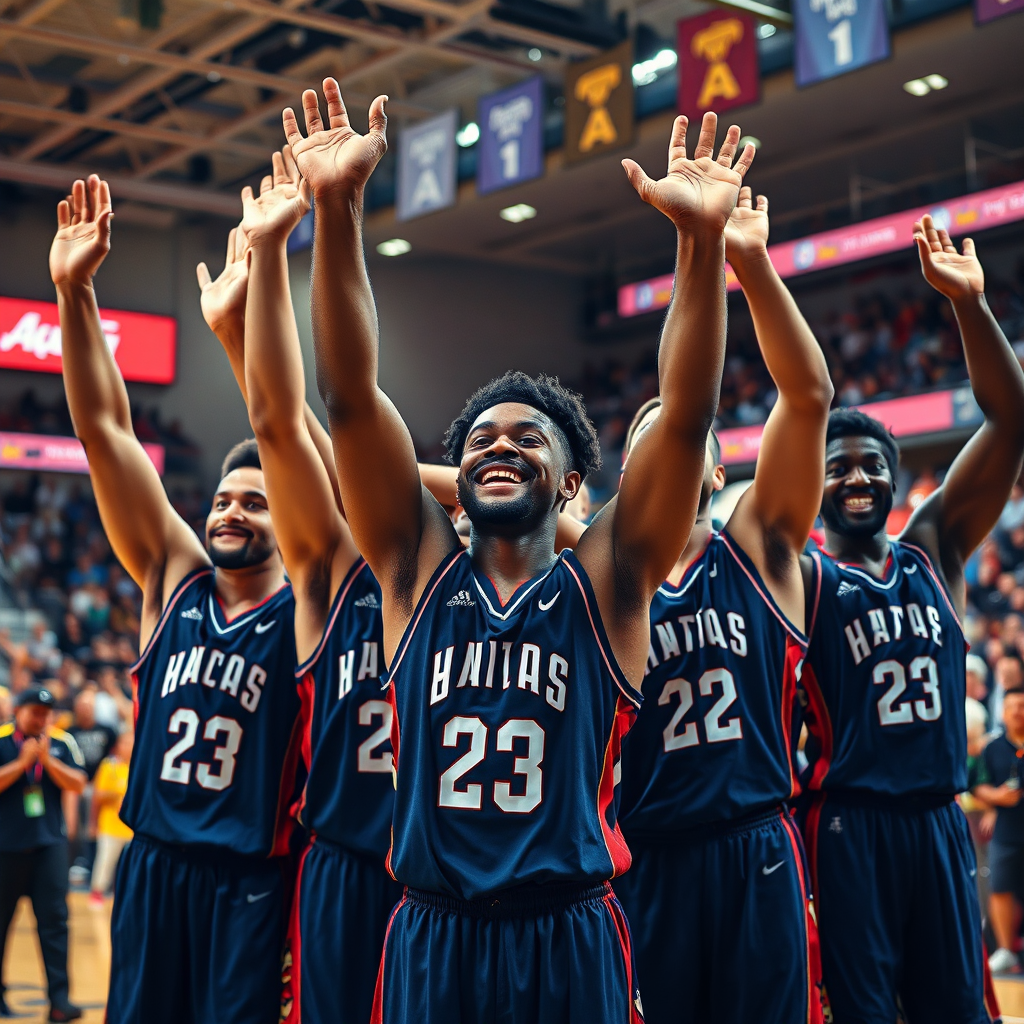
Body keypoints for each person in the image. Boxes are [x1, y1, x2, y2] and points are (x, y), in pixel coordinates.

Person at [286, 78, 753, 1023]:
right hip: (432, 926)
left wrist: (700, 251)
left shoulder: (611, 582)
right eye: (481, 438)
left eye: (528, 437)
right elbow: (347, 399)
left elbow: (687, 415)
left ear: (574, 483)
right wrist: (336, 212)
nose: (500, 443)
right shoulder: (413, 568)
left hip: (567, 928)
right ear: (456, 475)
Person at [51, 174, 303, 1024]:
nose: (230, 510)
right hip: (156, 862)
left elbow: (284, 424)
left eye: (255, 500)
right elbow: (105, 430)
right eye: (224, 499)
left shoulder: (315, 602)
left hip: (250, 881)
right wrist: (75, 293)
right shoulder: (172, 576)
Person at [614, 185, 833, 1024]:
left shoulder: (757, 546)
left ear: (713, 468)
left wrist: (747, 261)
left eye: (685, 439)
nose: (668, 454)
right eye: (647, 445)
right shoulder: (604, 564)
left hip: (755, 845)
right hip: (648, 854)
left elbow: (807, 397)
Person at [799, 215, 1024, 1023]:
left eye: (872, 466)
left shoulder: (934, 546)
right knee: (862, 1011)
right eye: (838, 467)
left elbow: (1007, 420)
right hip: (847, 824)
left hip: (936, 817)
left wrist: (970, 306)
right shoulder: (799, 572)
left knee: (958, 1008)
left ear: (898, 483)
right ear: (812, 484)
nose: (858, 478)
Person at [199, 152, 403, 1024]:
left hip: (450, 877)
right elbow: (289, 427)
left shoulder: (512, 585)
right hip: (341, 858)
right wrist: (259, 289)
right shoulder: (345, 576)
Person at [0, 686, 86, 1022]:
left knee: (55, 924)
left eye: (46, 713)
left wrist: (47, 762)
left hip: (49, 847)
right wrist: (23, 764)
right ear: (18, 710)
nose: (41, 718)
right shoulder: (3, 740)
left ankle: (60, 1002)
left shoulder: (62, 743)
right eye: (35, 711)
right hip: (5, 848)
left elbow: (78, 783)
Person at [974, 687, 1024, 974]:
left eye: (1021, 706)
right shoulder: (992, 748)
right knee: (1000, 889)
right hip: (1005, 832)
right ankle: (1005, 949)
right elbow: (977, 784)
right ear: (1003, 711)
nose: (1017, 712)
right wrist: (996, 799)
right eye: (1011, 707)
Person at [89, 729, 134, 906]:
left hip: (131, 829)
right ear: (118, 746)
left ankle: (125, 896)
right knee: (105, 862)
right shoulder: (109, 765)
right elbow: (97, 795)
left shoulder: (138, 768)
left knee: (129, 867)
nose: (128, 747)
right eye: (125, 743)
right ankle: (97, 893)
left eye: (131, 744)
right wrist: (115, 796)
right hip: (109, 826)